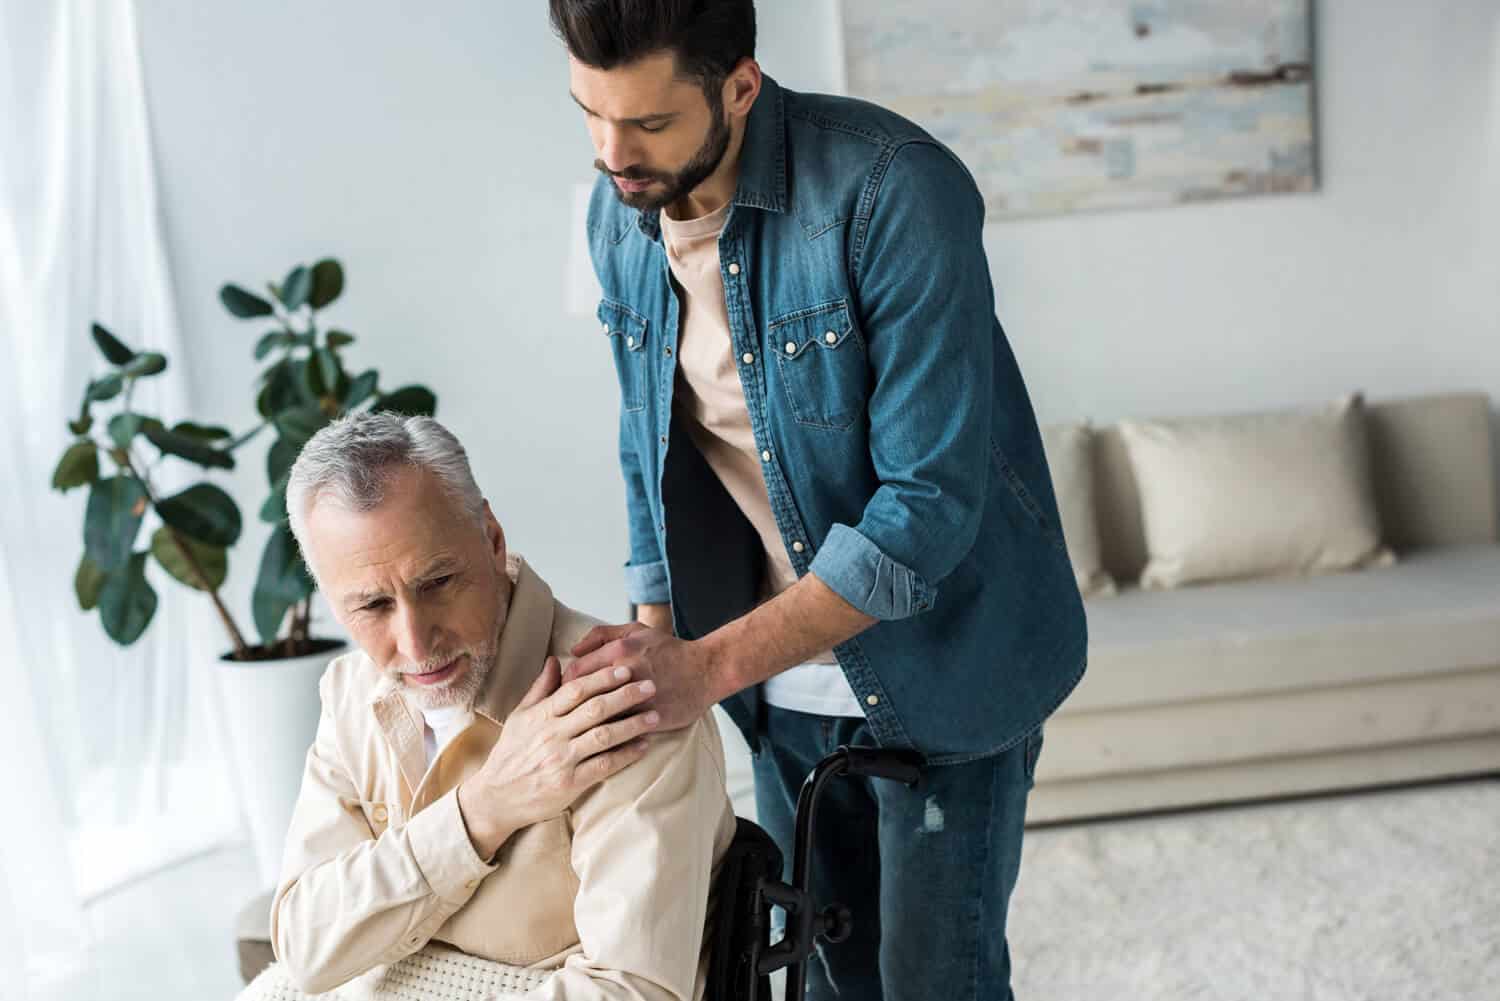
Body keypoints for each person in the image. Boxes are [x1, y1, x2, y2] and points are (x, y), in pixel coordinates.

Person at [553, 1, 1088, 998]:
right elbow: (647, 448)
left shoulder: (894, 190)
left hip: (948, 671)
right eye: (590, 114)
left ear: (742, 87)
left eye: (651, 124)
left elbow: (922, 512)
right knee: (828, 979)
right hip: (777, 687)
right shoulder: (614, 221)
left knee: (938, 982)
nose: (613, 155)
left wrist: (699, 667)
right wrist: (653, 653)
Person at [257, 412, 736, 1001]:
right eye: (372, 606)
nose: (415, 644)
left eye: (438, 582)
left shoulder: (628, 701)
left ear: (492, 539)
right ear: (330, 602)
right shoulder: (349, 690)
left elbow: (632, 992)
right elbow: (305, 947)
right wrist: (480, 812)